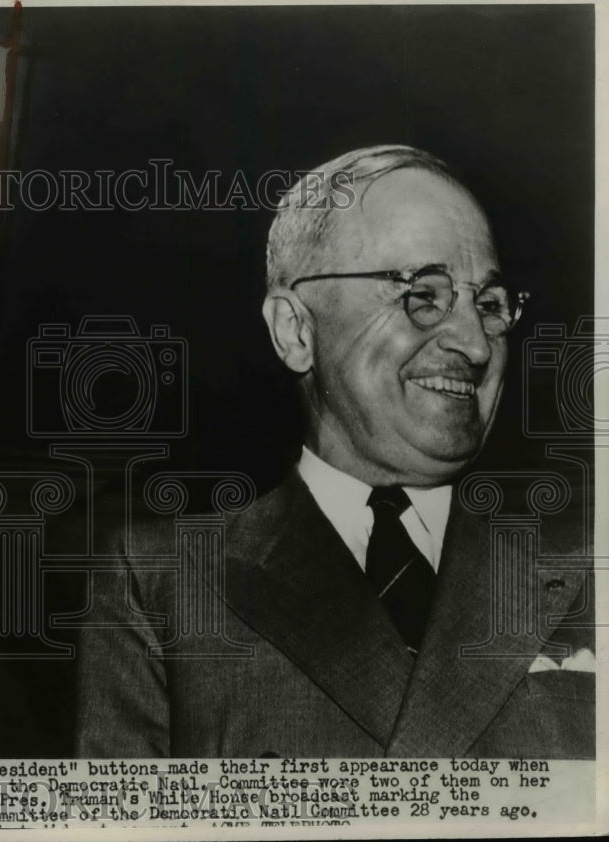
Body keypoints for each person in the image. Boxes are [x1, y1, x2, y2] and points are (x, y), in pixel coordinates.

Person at [74, 145, 594, 758]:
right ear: (295, 330)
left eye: (488, 305)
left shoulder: (588, 556)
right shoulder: (164, 582)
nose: (476, 345)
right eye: (422, 294)